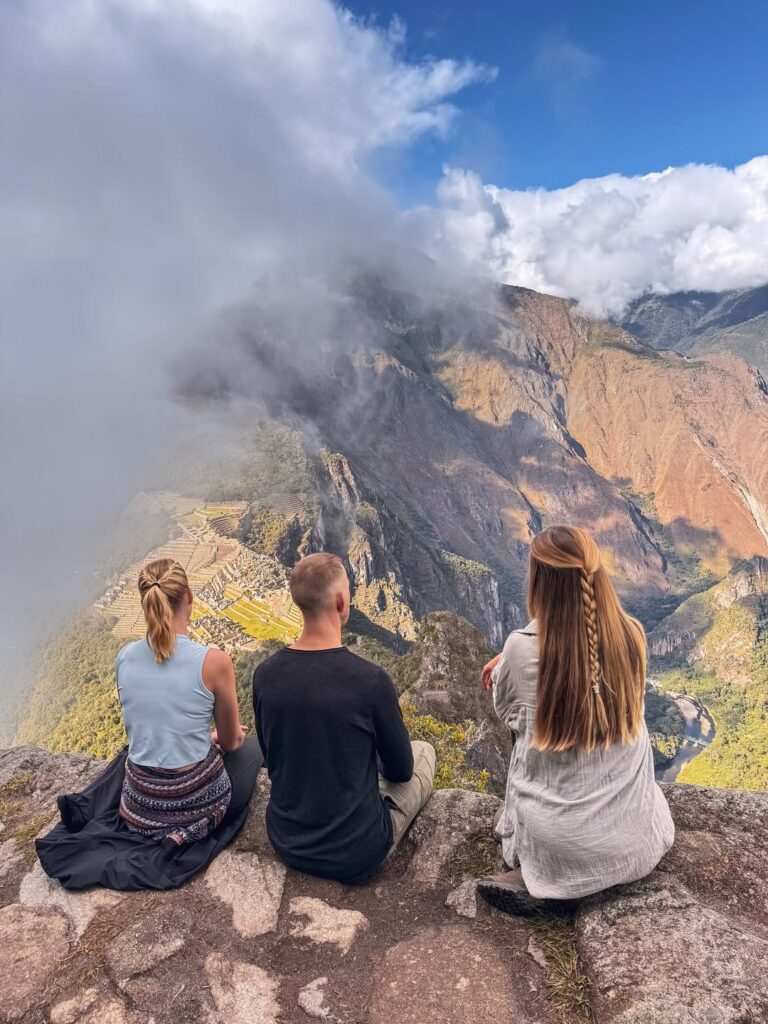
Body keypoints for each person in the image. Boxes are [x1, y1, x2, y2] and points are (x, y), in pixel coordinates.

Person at [477, 525, 674, 914]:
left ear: (538, 583)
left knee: (526, 737)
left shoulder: (520, 649)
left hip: (559, 845)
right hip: (635, 842)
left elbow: (509, 715)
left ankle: (550, 880)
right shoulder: (632, 636)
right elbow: (582, 657)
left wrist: (509, 662)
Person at [252, 552, 435, 883]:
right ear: (340, 601)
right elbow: (401, 770)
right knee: (424, 752)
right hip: (358, 851)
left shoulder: (265, 675)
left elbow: (271, 756)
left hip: (287, 841)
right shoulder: (370, 681)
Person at [116, 557, 262, 844]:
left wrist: (203, 738)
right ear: (189, 597)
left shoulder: (125, 657)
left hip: (139, 806)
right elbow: (232, 743)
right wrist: (215, 740)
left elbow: (152, 728)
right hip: (195, 807)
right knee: (256, 746)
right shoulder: (213, 661)